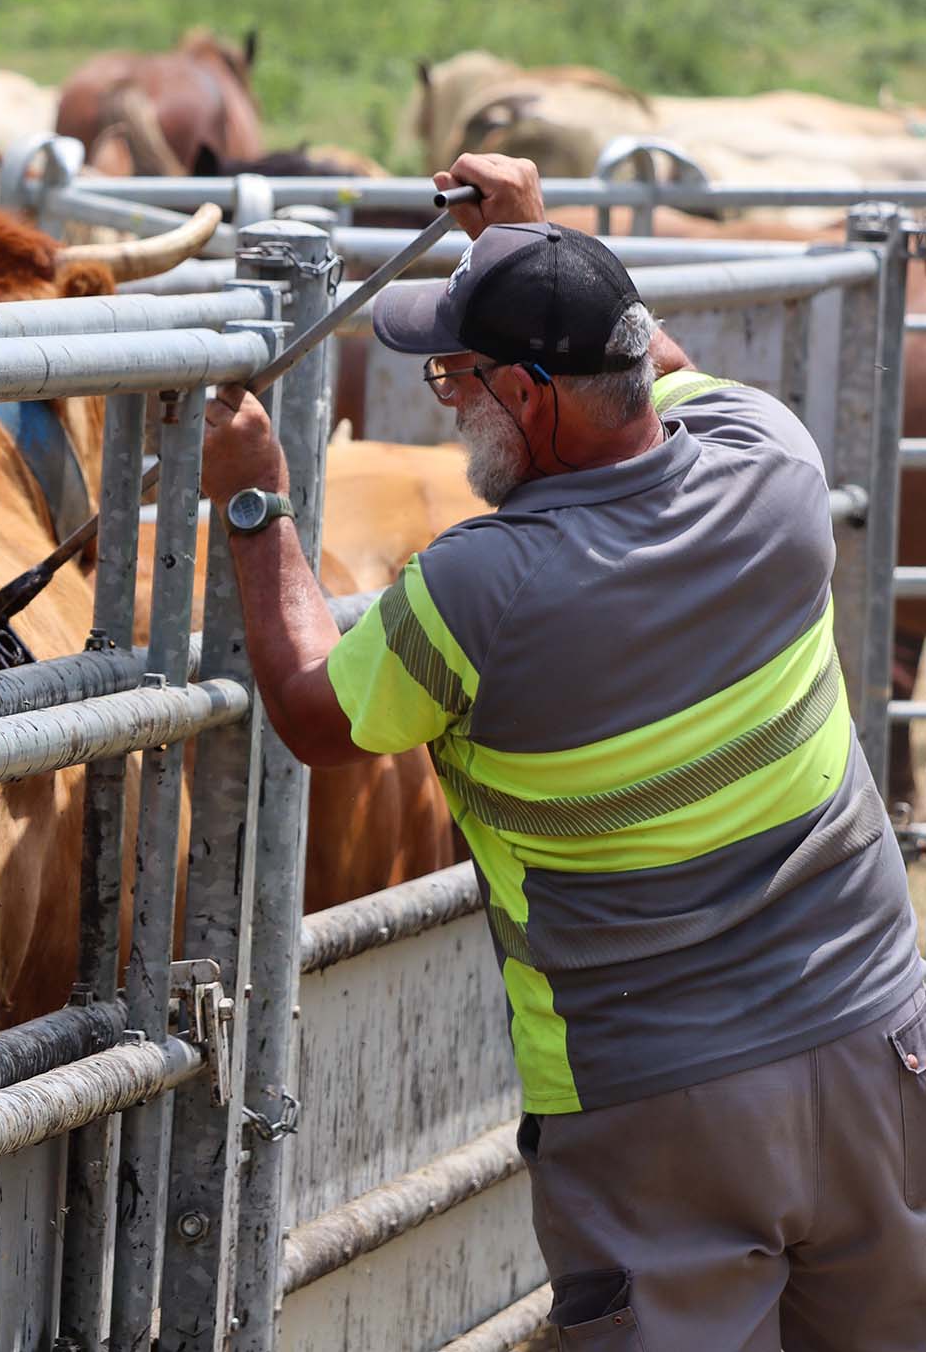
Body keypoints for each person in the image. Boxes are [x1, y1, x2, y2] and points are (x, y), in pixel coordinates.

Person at [200, 153, 926, 1351]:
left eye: (457, 377)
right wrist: (538, 245)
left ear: (530, 399)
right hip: (874, 1037)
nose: (450, 404)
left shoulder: (476, 593)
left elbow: (315, 714)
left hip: (656, 1106)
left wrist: (255, 502)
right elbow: (664, 368)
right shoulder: (776, 462)